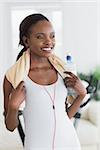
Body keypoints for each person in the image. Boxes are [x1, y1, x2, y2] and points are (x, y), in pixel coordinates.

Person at [3, 13, 87, 150]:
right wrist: (13, 107)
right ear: (26, 41)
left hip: (70, 143)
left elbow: (64, 116)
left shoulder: (62, 71)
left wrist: (82, 95)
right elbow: (10, 127)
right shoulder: (14, 77)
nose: (49, 41)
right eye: (40, 37)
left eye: (52, 36)